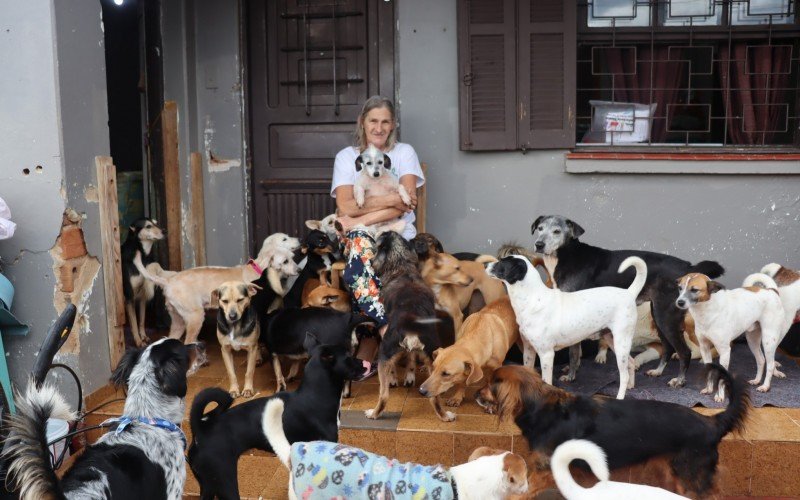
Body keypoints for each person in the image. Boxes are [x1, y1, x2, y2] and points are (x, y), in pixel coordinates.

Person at [330, 96, 425, 379]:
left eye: (385, 121)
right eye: (373, 120)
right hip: (360, 234)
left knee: (357, 267)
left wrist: (358, 218)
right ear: (363, 122)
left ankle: (370, 343)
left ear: (393, 124)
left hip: (396, 231)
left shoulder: (404, 152)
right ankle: (387, 329)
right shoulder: (347, 157)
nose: (379, 127)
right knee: (359, 254)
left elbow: (408, 203)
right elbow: (346, 204)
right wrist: (388, 201)